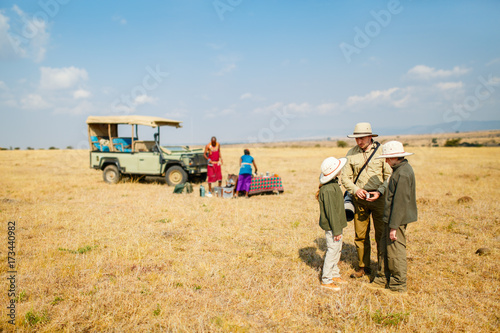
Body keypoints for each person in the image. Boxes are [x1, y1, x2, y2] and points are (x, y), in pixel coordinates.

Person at [341, 122, 392, 279]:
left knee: (381, 235)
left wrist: (380, 191)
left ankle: (383, 269)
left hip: (379, 199)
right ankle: (363, 267)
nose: (359, 141)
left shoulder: (382, 151)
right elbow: (345, 178)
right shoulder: (350, 153)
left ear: (370, 136)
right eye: (356, 138)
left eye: (362, 138)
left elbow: (389, 176)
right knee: (360, 235)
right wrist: (356, 190)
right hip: (360, 199)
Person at [367, 141, 417, 294]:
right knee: (384, 247)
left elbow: (400, 202)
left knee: (395, 252)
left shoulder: (403, 173)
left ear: (396, 157)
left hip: (397, 219)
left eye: (388, 158)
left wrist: (394, 227)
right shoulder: (399, 170)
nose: (386, 161)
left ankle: (397, 285)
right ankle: (382, 278)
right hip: (390, 218)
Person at [317, 156, 348, 291]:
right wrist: (336, 231)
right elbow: (331, 213)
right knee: (332, 251)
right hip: (332, 226)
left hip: (336, 225)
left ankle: (334, 274)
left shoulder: (333, 185)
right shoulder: (329, 189)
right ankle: (326, 279)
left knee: (337, 249)